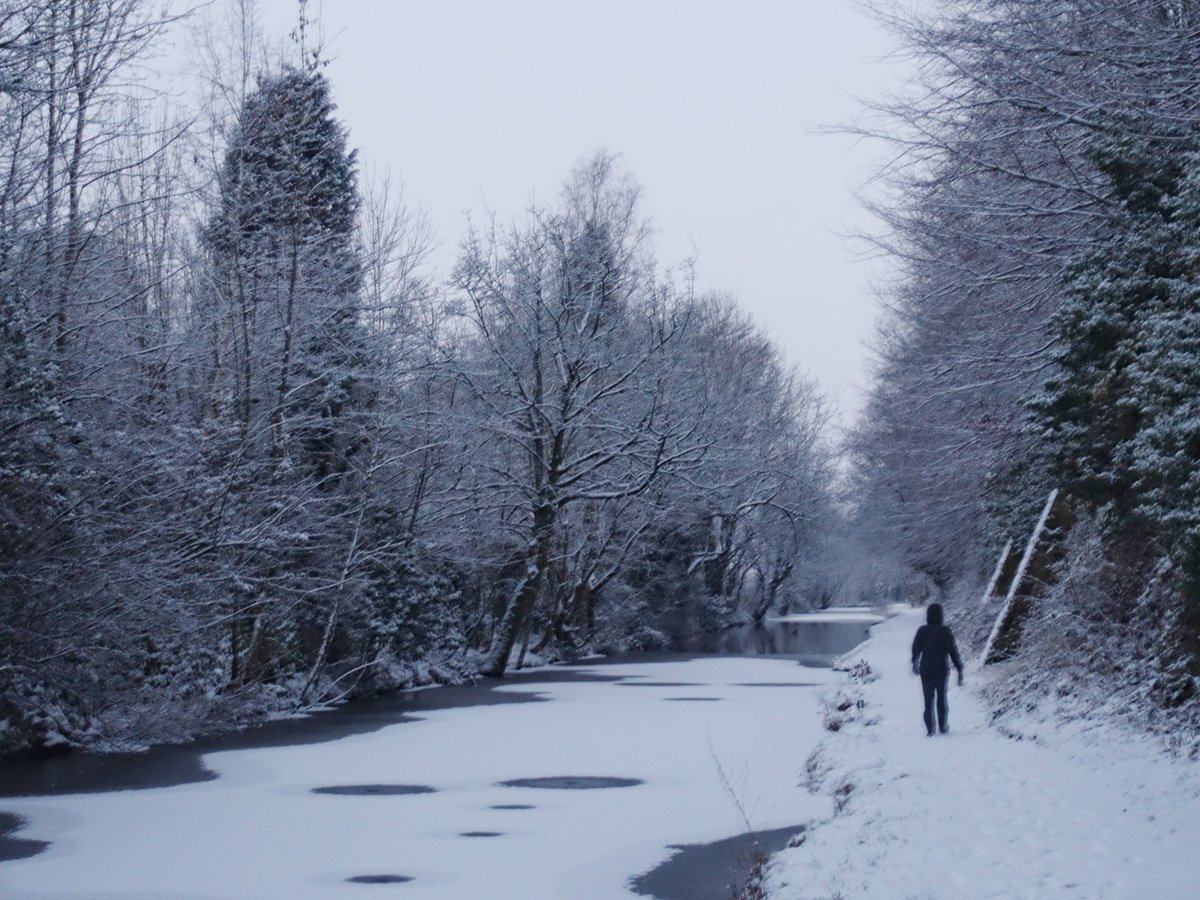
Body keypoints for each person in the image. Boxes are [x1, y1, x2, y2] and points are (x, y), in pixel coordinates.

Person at [910, 602, 964, 736]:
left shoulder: (922, 631)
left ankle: (930, 729)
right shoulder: (945, 631)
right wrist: (959, 668)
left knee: (928, 700)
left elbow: (915, 649)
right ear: (941, 616)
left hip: (926, 670)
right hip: (941, 670)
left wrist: (914, 662)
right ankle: (942, 726)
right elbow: (953, 651)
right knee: (941, 698)